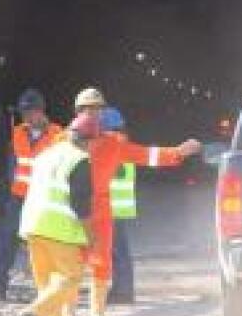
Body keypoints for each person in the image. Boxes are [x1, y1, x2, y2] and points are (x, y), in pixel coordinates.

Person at [73, 87, 201, 316]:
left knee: (100, 266)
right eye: (87, 111)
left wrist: (177, 153)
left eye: (97, 111)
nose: (92, 116)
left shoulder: (114, 144)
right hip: (70, 215)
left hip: (100, 215)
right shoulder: (63, 140)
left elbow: (146, 155)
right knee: (71, 266)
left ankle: (99, 306)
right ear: (77, 113)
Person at [0, 89, 62, 300]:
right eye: (23, 113)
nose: (26, 118)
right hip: (19, 196)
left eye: (30, 113)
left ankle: (51, 289)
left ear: (41, 111)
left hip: (44, 199)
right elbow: (13, 163)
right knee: (7, 238)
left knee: (45, 242)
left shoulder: (58, 135)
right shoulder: (18, 132)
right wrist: (10, 186)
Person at [19, 112, 98, 316]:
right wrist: (90, 236)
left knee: (47, 289)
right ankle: (33, 312)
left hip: (32, 226)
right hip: (59, 231)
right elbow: (81, 204)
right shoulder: (79, 160)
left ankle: (40, 310)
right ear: (89, 141)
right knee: (70, 278)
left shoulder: (47, 154)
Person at [100, 107, 136, 304]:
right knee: (117, 250)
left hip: (113, 206)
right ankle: (121, 288)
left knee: (118, 251)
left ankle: (124, 291)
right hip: (117, 206)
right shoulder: (123, 144)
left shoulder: (115, 146)